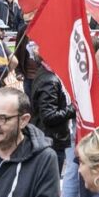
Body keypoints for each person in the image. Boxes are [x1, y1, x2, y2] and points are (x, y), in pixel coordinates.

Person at [25, 42, 76, 171]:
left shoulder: (48, 75)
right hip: (51, 140)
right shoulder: (49, 80)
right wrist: (74, 109)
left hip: (49, 137)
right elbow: (49, 115)